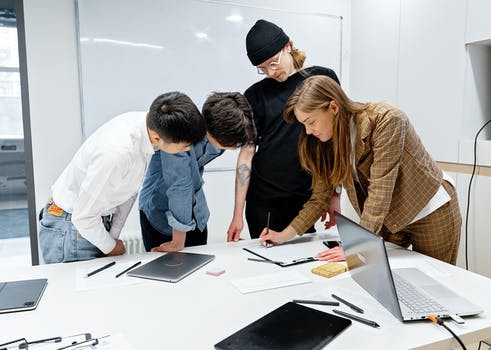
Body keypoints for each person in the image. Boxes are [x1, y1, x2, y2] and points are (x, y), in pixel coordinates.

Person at [260, 75, 461, 265]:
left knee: (435, 285)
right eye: (304, 125)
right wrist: (283, 235)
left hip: (430, 211)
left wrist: (356, 247)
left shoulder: (387, 120)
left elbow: (380, 191)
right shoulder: (324, 141)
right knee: (383, 280)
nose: (308, 131)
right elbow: (319, 198)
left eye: (311, 122)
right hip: (389, 221)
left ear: (334, 107)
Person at [38, 92, 206, 263]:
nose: (187, 150)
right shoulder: (116, 153)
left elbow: (129, 190)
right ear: (158, 138)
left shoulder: (147, 129)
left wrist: (113, 236)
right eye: (184, 146)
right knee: (82, 288)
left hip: (93, 221)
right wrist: (111, 246)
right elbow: (83, 217)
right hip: (72, 226)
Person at [227, 19, 340, 242]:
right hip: (264, 200)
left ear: (288, 46)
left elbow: (334, 142)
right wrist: (237, 213)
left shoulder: (322, 79)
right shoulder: (255, 94)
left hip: (308, 197)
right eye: (262, 69)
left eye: (274, 63)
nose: (270, 72)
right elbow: (247, 154)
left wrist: (333, 195)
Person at [139, 92, 256, 252]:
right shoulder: (179, 133)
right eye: (232, 144)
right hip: (160, 212)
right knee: (169, 272)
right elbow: (180, 186)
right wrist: (177, 243)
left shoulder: (217, 125)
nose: (234, 147)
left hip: (196, 213)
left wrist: (237, 216)